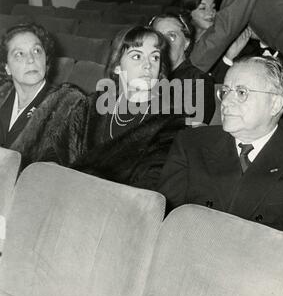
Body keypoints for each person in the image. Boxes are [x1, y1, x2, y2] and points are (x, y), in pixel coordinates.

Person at [13, 26, 186, 189]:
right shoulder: (93, 104)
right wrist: (50, 169)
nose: (148, 65)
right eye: (137, 56)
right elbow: (57, 150)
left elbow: (150, 184)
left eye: (155, 57)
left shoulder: (169, 120)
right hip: (65, 194)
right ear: (118, 66)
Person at [159, 56, 283, 233]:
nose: (225, 103)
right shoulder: (191, 143)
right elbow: (166, 218)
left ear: (275, 104)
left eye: (241, 93)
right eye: (225, 91)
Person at [180, 0, 259, 82]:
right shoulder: (182, 47)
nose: (211, 13)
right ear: (189, 12)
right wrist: (228, 58)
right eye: (203, 8)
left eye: (213, 7)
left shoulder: (235, 43)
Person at [150, 13, 215, 124]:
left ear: (186, 43)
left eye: (172, 36)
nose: (164, 43)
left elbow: (193, 126)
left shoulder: (197, 80)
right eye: (158, 37)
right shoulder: (145, 75)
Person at [0, 23, 55, 148]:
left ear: (45, 59)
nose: (31, 59)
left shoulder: (64, 104)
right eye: (19, 54)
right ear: (7, 67)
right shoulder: (3, 96)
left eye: (36, 51)